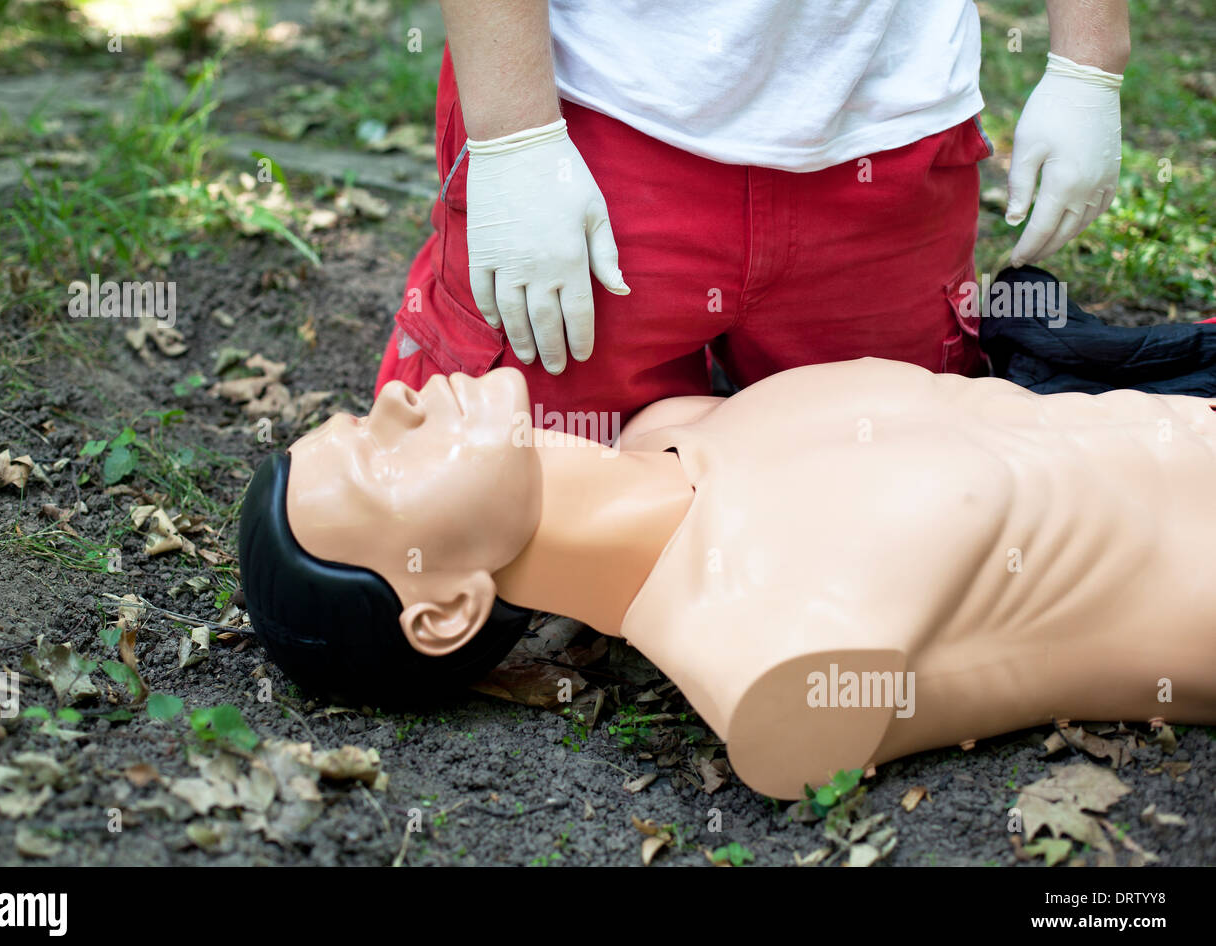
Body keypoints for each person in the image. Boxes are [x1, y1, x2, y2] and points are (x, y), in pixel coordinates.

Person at [240, 359, 1216, 798]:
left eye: (363, 414)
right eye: (378, 454)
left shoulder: (677, 422)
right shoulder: (767, 662)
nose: (399, 399)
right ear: (446, 606)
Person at [374, 0, 1129, 435]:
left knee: (893, 483)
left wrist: (1089, 63)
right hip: (600, 114)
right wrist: (516, 139)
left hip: (880, 130)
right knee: (487, 483)